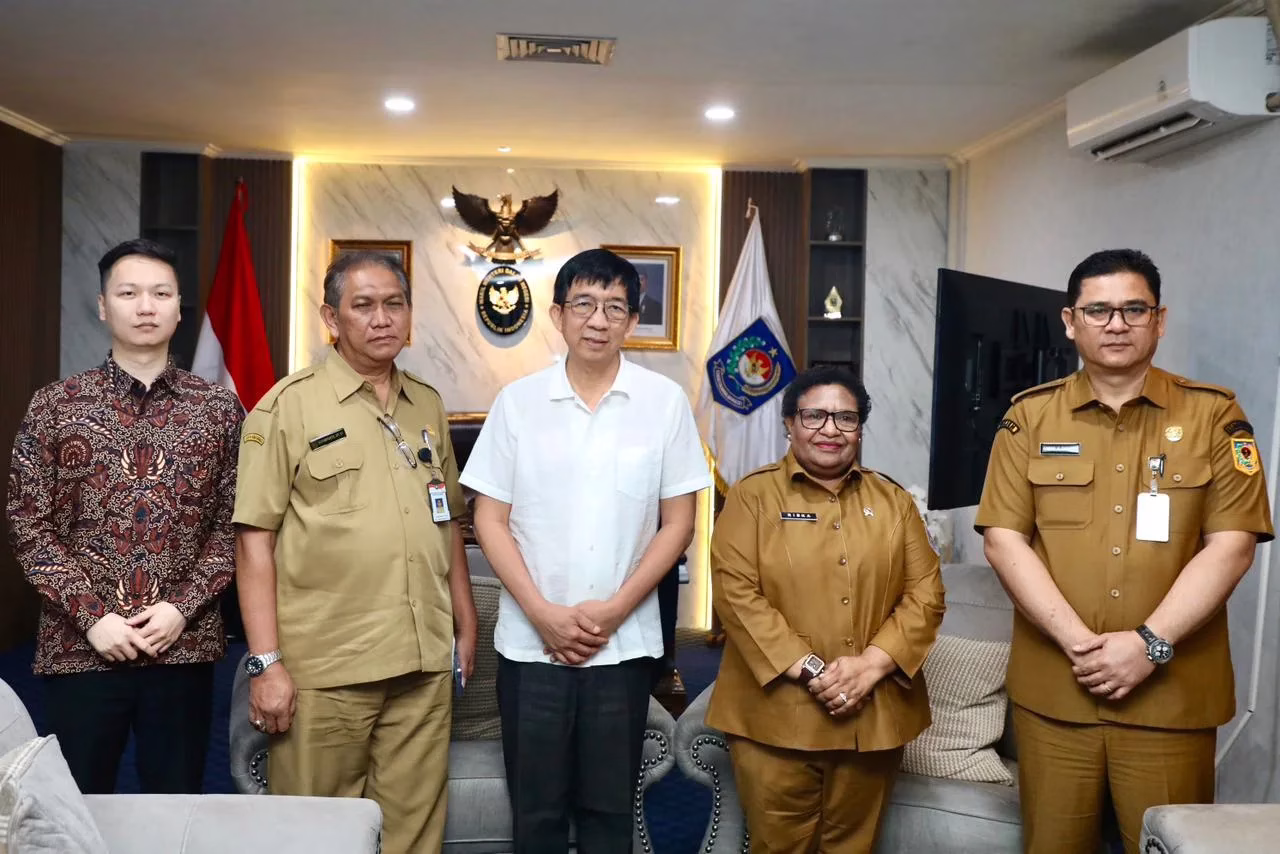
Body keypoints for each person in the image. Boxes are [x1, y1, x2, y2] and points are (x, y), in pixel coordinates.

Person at [976, 248, 1273, 854]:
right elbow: (1004, 540)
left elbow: (1232, 546)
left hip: (1171, 698)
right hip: (1057, 695)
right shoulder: (1028, 418)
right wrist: (1079, 645)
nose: (1117, 324)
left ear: (1159, 321)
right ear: (1070, 321)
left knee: (1167, 844)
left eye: (1134, 309)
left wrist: (1148, 645)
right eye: (1099, 310)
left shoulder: (1216, 417)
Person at [461, 248, 712, 853]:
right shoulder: (518, 403)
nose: (598, 320)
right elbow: (489, 519)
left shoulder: (663, 403)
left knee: (608, 813)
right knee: (537, 812)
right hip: (531, 646)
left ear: (632, 321)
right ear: (558, 315)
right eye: (584, 304)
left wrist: (616, 609)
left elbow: (679, 523)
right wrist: (543, 612)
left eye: (614, 307)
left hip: (622, 647)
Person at [232, 251, 477, 854]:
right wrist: (266, 664)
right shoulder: (287, 406)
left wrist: (465, 623)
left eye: (394, 304)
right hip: (328, 667)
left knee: (414, 833)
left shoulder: (427, 404)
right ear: (331, 318)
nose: (381, 318)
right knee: (316, 834)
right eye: (363, 305)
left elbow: (447, 521)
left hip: (421, 662)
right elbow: (253, 541)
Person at [7, 238, 243, 794]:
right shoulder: (55, 404)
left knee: (175, 803)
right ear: (102, 306)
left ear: (179, 308)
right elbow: (28, 523)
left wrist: (181, 609)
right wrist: (93, 617)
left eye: (161, 294)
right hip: (80, 648)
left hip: (181, 645)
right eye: (129, 293)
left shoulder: (218, 408)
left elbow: (235, 525)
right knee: (78, 804)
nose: (145, 307)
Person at [706, 365, 945, 853]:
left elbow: (926, 594)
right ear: (789, 423)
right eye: (814, 416)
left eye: (845, 418)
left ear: (860, 429)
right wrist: (818, 671)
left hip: (872, 713)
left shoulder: (894, 501)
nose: (830, 429)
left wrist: (869, 667)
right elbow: (735, 593)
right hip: (773, 716)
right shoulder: (753, 496)